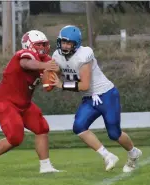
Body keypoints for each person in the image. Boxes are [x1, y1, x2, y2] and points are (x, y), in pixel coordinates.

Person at [51, 25, 142, 173]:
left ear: (76, 44)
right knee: (79, 127)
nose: (65, 45)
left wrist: (61, 85)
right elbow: (60, 69)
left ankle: (133, 153)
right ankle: (107, 156)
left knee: (114, 134)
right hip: (89, 98)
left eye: (69, 43)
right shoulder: (57, 55)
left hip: (106, 95)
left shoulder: (84, 55)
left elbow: (84, 85)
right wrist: (49, 73)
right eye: (63, 42)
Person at [0, 30, 61, 175]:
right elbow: (26, 63)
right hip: (5, 102)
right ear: (28, 45)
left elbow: (49, 81)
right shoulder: (23, 55)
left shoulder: (44, 60)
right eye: (38, 44)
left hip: (25, 104)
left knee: (42, 128)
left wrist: (55, 73)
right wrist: (46, 67)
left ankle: (45, 166)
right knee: (15, 138)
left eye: (44, 44)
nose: (42, 47)